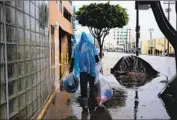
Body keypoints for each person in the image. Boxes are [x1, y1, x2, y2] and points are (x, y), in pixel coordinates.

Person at [69, 32, 100, 112]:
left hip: (83, 72)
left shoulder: (77, 47)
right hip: (92, 71)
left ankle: (85, 106)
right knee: (92, 87)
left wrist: (70, 70)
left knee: (83, 88)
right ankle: (92, 103)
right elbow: (97, 59)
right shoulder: (91, 46)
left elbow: (72, 59)